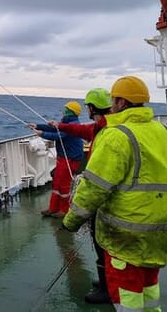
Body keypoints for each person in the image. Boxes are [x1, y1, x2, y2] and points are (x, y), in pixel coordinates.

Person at [61, 76, 167, 312]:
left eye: (114, 99)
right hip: (158, 228)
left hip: (125, 233)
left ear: (122, 102)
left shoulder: (116, 135)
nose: (112, 103)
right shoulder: (164, 131)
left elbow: (94, 187)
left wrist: (71, 221)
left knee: (127, 293)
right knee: (149, 285)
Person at [47, 88, 112, 304]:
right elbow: (78, 130)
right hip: (118, 201)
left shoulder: (109, 132)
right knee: (103, 244)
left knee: (103, 242)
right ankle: (107, 281)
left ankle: (108, 288)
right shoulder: (104, 127)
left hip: (107, 202)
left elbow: (96, 184)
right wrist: (59, 125)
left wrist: (72, 220)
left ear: (92, 108)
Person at [29, 101, 84, 218]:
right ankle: (53, 208)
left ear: (70, 112)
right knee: (57, 182)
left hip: (71, 158)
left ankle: (64, 210)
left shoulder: (73, 125)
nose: (63, 112)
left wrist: (42, 134)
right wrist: (37, 126)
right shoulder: (66, 123)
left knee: (64, 184)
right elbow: (54, 129)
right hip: (63, 157)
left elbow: (58, 136)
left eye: (65, 110)